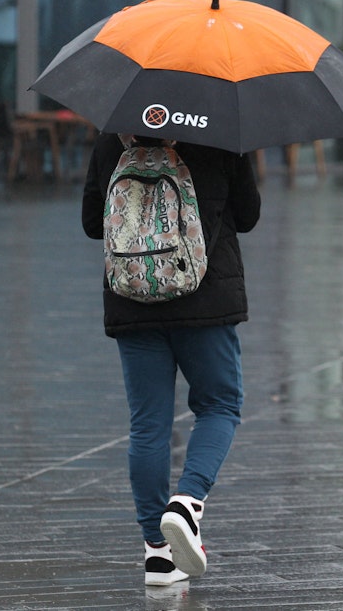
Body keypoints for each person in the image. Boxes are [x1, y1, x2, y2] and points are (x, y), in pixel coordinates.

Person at [81, 132, 261, 586]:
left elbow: (91, 223)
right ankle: (187, 502)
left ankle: (157, 556)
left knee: (148, 426)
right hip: (206, 299)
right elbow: (248, 215)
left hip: (132, 299)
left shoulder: (113, 139)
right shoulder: (222, 135)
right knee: (220, 406)